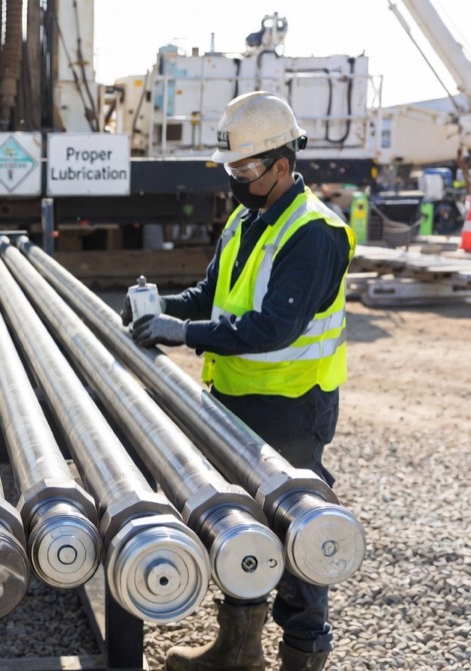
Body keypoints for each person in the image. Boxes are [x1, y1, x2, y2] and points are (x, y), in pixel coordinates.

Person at [122, 91, 355, 671]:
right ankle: (239, 647)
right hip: (236, 398)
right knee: (242, 521)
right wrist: (163, 308)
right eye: (231, 170)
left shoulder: (313, 232)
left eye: (246, 170)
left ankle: (304, 650)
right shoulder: (247, 218)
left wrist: (184, 333)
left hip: (292, 406)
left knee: (298, 524)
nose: (236, 181)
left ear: (282, 165)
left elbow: (274, 326)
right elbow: (213, 294)